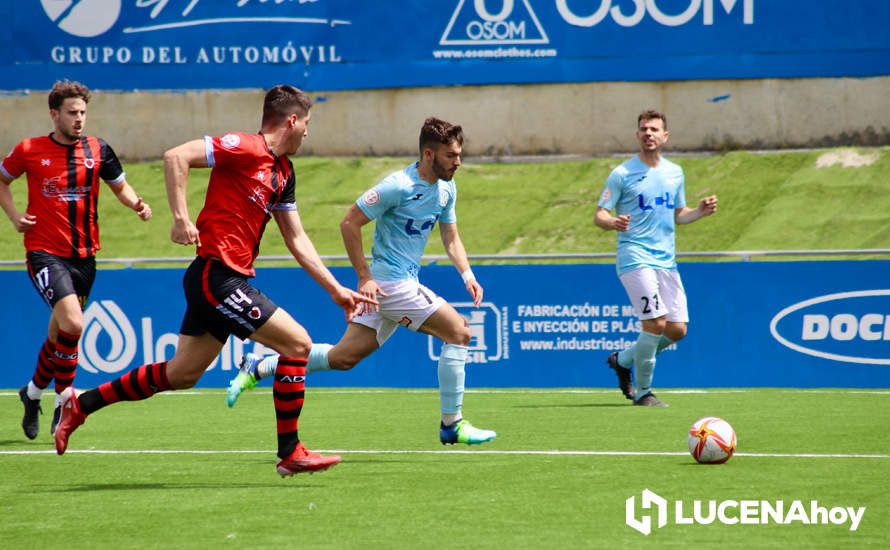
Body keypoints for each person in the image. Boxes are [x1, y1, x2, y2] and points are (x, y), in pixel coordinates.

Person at [54, 85, 375, 476]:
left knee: (182, 374)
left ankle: (81, 404)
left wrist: (336, 290)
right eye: (306, 123)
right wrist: (180, 217)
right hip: (216, 276)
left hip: (223, 279)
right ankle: (290, 452)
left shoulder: (284, 172)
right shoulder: (244, 146)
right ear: (292, 120)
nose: (307, 132)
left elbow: (296, 237)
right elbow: (177, 156)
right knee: (298, 344)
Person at [226, 117, 496, 446]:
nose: (458, 162)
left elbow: (450, 237)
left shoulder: (447, 189)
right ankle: (451, 423)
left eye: (459, 155)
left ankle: (260, 365)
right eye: (451, 156)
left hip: (397, 285)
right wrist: (364, 277)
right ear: (429, 154)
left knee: (343, 358)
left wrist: (467, 275)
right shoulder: (398, 186)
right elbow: (349, 222)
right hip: (391, 284)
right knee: (459, 332)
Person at [0, 80, 152, 440]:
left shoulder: (99, 150)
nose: (79, 119)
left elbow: (120, 186)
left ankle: (32, 391)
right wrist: (14, 216)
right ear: (54, 114)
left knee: (59, 335)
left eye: (83, 112)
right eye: (72, 113)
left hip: (85, 258)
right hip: (44, 252)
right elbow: (2, 180)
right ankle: (65, 399)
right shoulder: (29, 150)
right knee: (73, 322)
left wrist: (137, 203)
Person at [594, 110, 718, 407]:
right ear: (637, 135)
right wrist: (611, 222)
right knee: (656, 323)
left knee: (677, 329)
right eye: (643, 129)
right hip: (634, 256)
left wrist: (699, 212)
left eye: (654, 129)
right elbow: (600, 214)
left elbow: (679, 215)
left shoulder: (675, 172)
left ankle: (623, 360)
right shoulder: (622, 173)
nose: (648, 133)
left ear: (665, 136)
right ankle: (644, 392)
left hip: (666, 261)